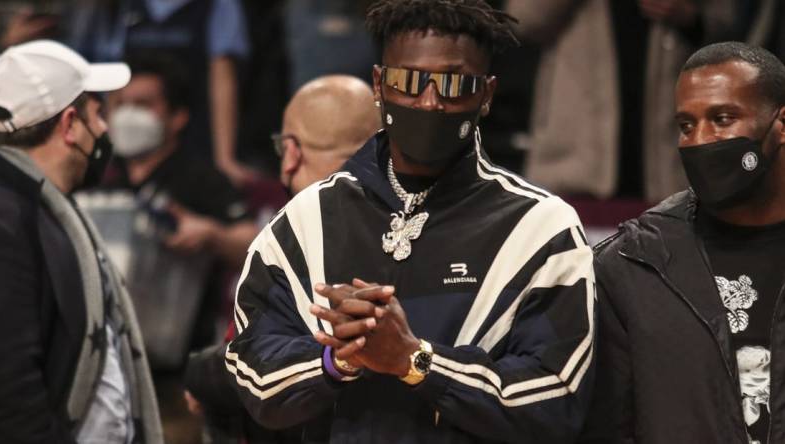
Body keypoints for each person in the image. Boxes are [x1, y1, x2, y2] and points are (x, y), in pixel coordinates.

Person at [226, 1, 596, 443]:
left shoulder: (542, 230)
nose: (430, 101)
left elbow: (555, 401)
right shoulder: (306, 221)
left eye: (454, 84)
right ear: (380, 83)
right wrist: (339, 359)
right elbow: (253, 375)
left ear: (487, 95)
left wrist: (416, 361)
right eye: (410, 81)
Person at [580, 42, 785, 443]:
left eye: (722, 119)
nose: (698, 140)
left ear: (780, 125)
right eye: (686, 125)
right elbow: (606, 427)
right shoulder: (630, 264)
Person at [184, 74, 381, 444]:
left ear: (291, 153)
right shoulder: (410, 228)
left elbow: (246, 365)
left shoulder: (285, 240)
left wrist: (201, 375)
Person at [0, 40, 162, 443]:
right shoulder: (8, 217)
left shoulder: (44, 209)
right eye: (96, 112)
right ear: (70, 124)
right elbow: (10, 383)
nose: (105, 128)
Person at [505, 0, 768, 201]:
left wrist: (691, 19)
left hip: (670, 170)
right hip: (575, 170)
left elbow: (736, 36)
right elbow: (522, 19)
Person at [65, 0, 255, 186]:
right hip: (137, 145)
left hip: (194, 132)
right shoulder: (126, 7)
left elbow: (222, 78)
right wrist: (107, 145)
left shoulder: (218, 5)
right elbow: (115, 75)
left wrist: (224, 157)